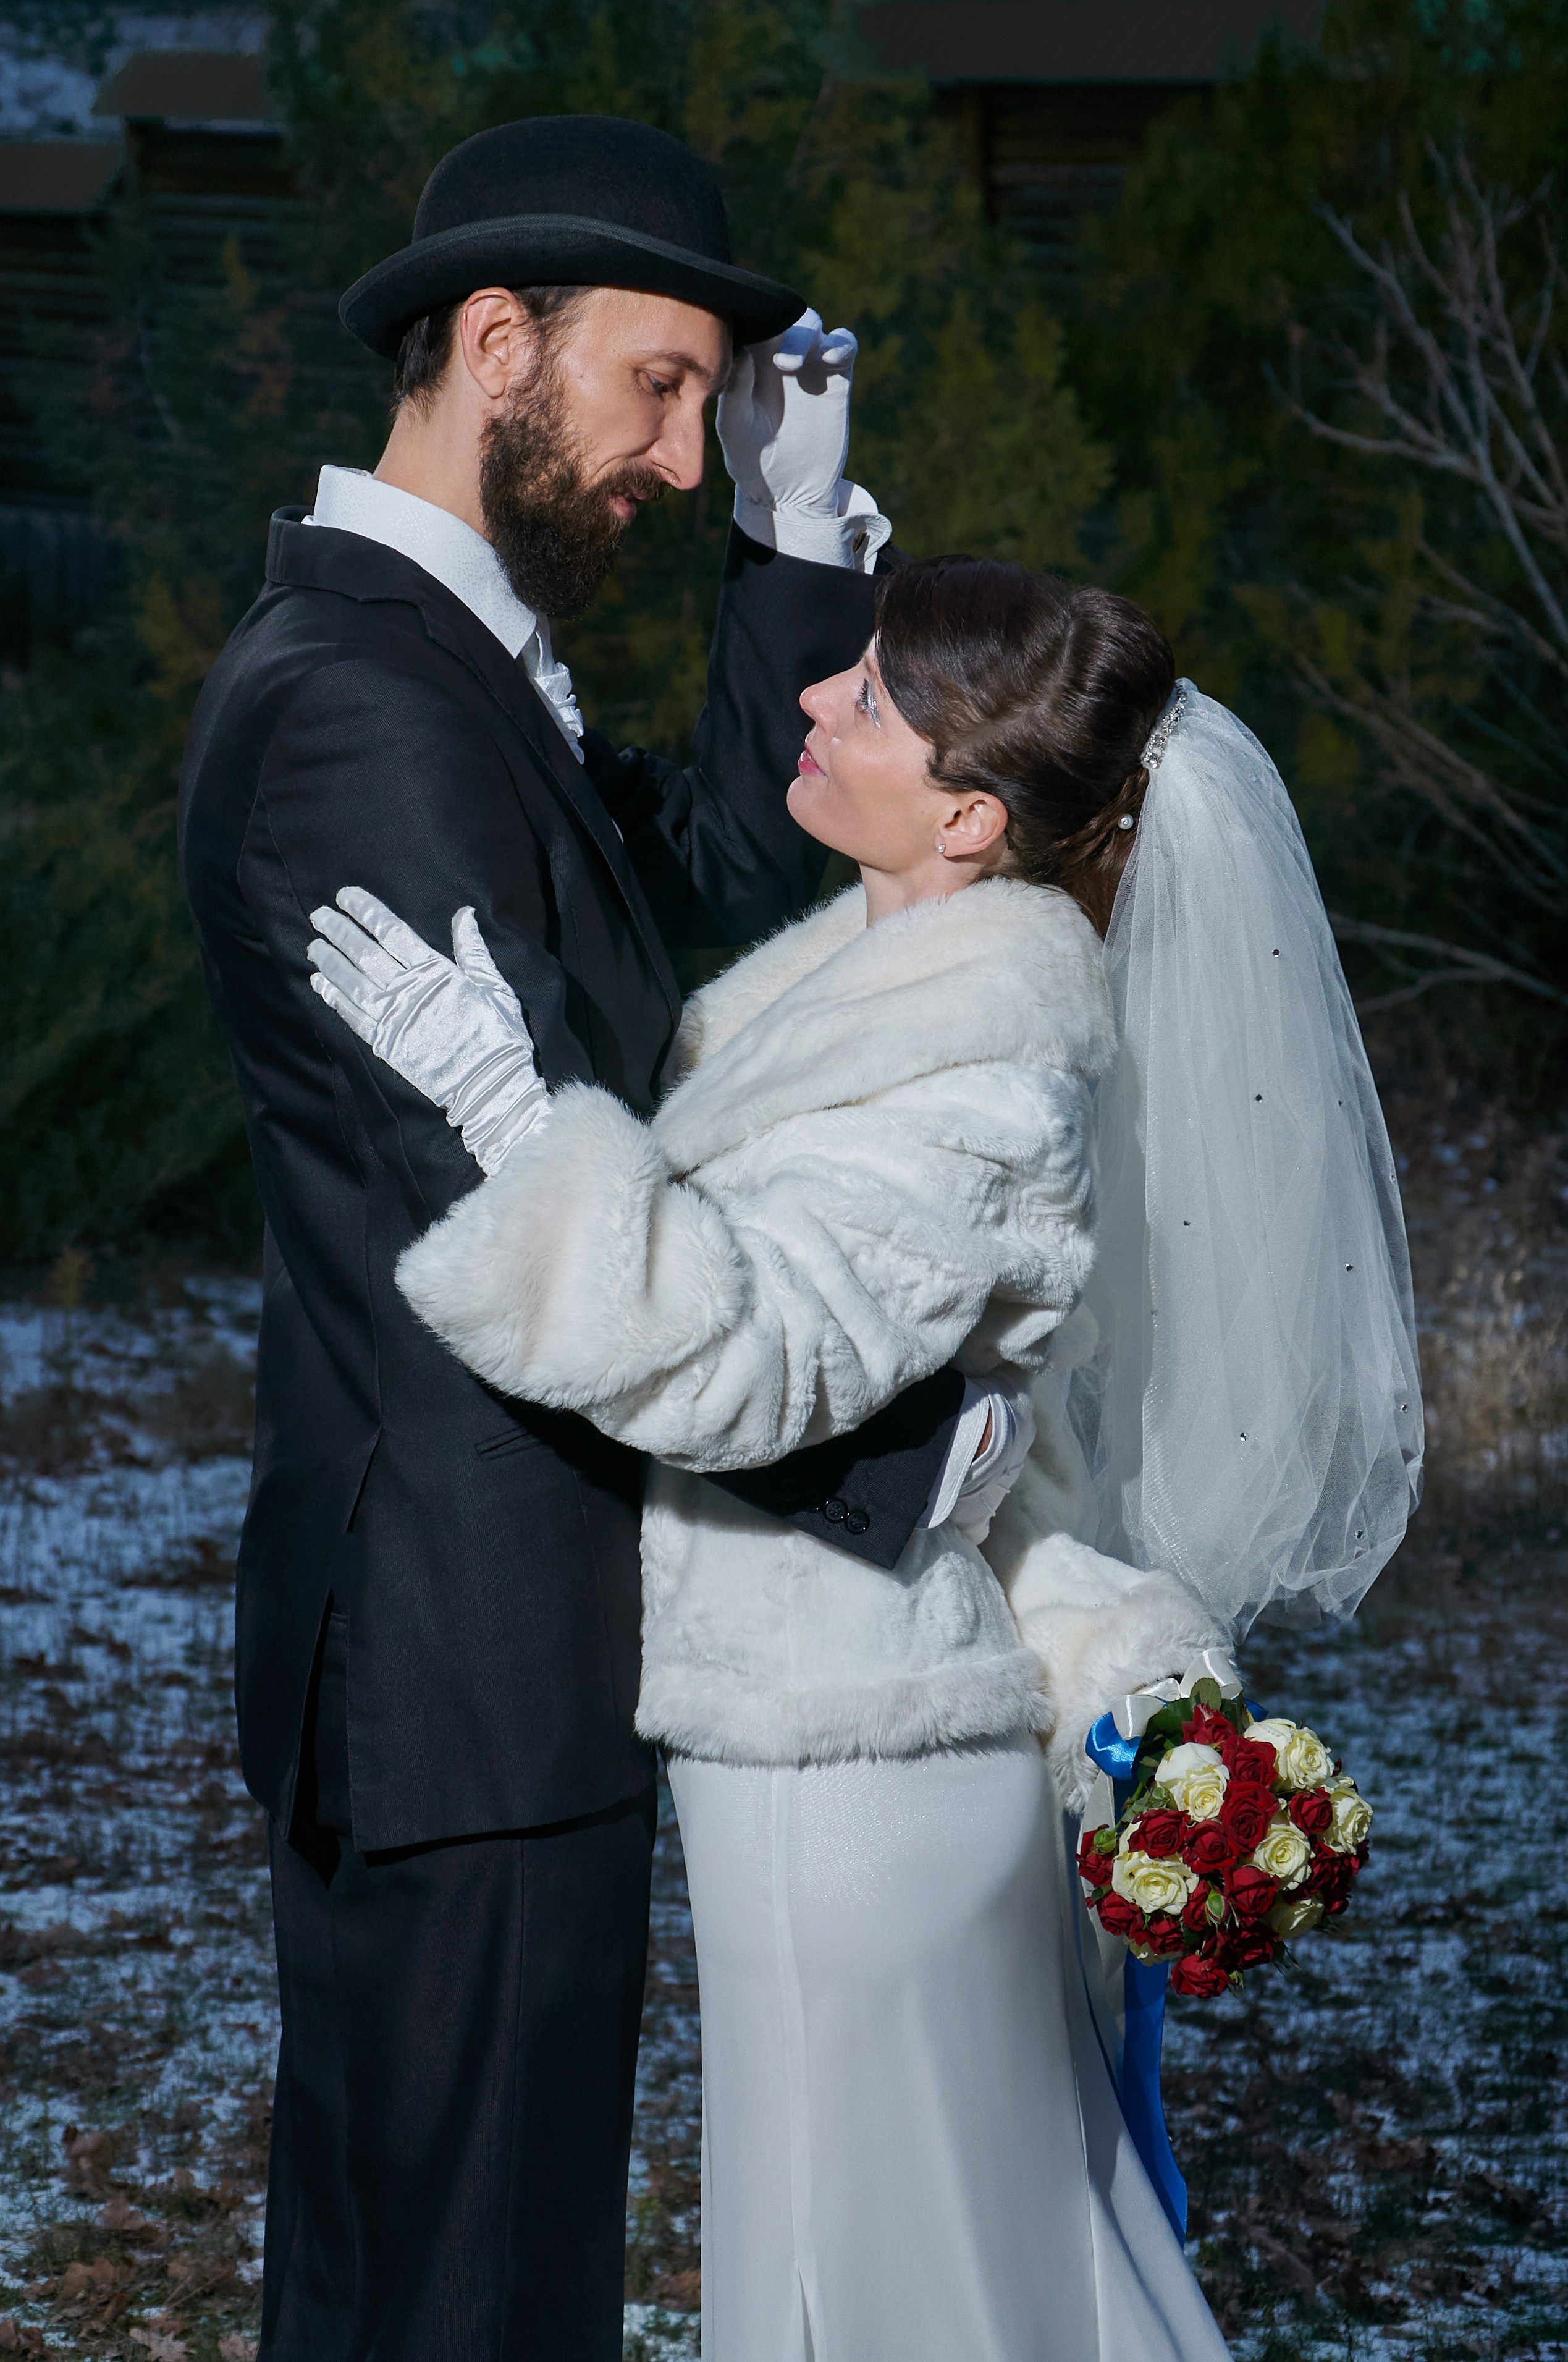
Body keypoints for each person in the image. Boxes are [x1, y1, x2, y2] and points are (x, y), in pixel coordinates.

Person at [310, 556, 1423, 2356]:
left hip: (847, 1777)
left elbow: (743, 1364)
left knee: (869, 2297)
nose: (820, 700)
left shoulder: (980, 1075)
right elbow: (986, 1469)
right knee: (970, 2280)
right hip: (847, 1749)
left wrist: (511, 1121)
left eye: (876, 699)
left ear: (968, 817)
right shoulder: (875, 993)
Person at [179, 117, 1025, 2362]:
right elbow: (543, 1189)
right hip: (460, 1652)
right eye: (659, 389)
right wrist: (888, 1457)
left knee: (451, 2285)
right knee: (458, 2300)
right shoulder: (360, 705)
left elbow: (722, 903)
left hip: (498, 1650)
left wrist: (792, 536)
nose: (673, 452)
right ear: (494, 341)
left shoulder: (456, 670)